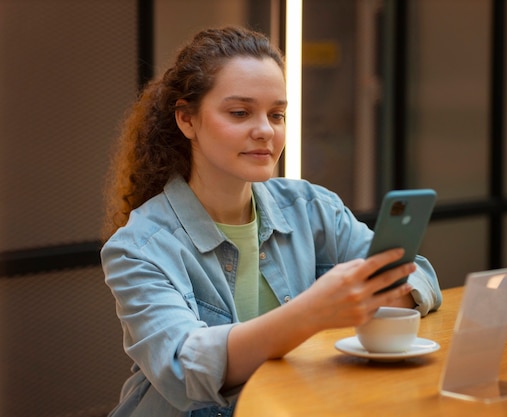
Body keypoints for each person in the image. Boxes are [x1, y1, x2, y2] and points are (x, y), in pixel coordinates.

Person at [100, 25, 442, 417]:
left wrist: (366, 295)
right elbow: (184, 370)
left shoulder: (309, 206)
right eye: (240, 112)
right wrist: (315, 312)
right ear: (187, 119)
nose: (265, 130)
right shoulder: (138, 247)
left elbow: (420, 277)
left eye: (277, 114)